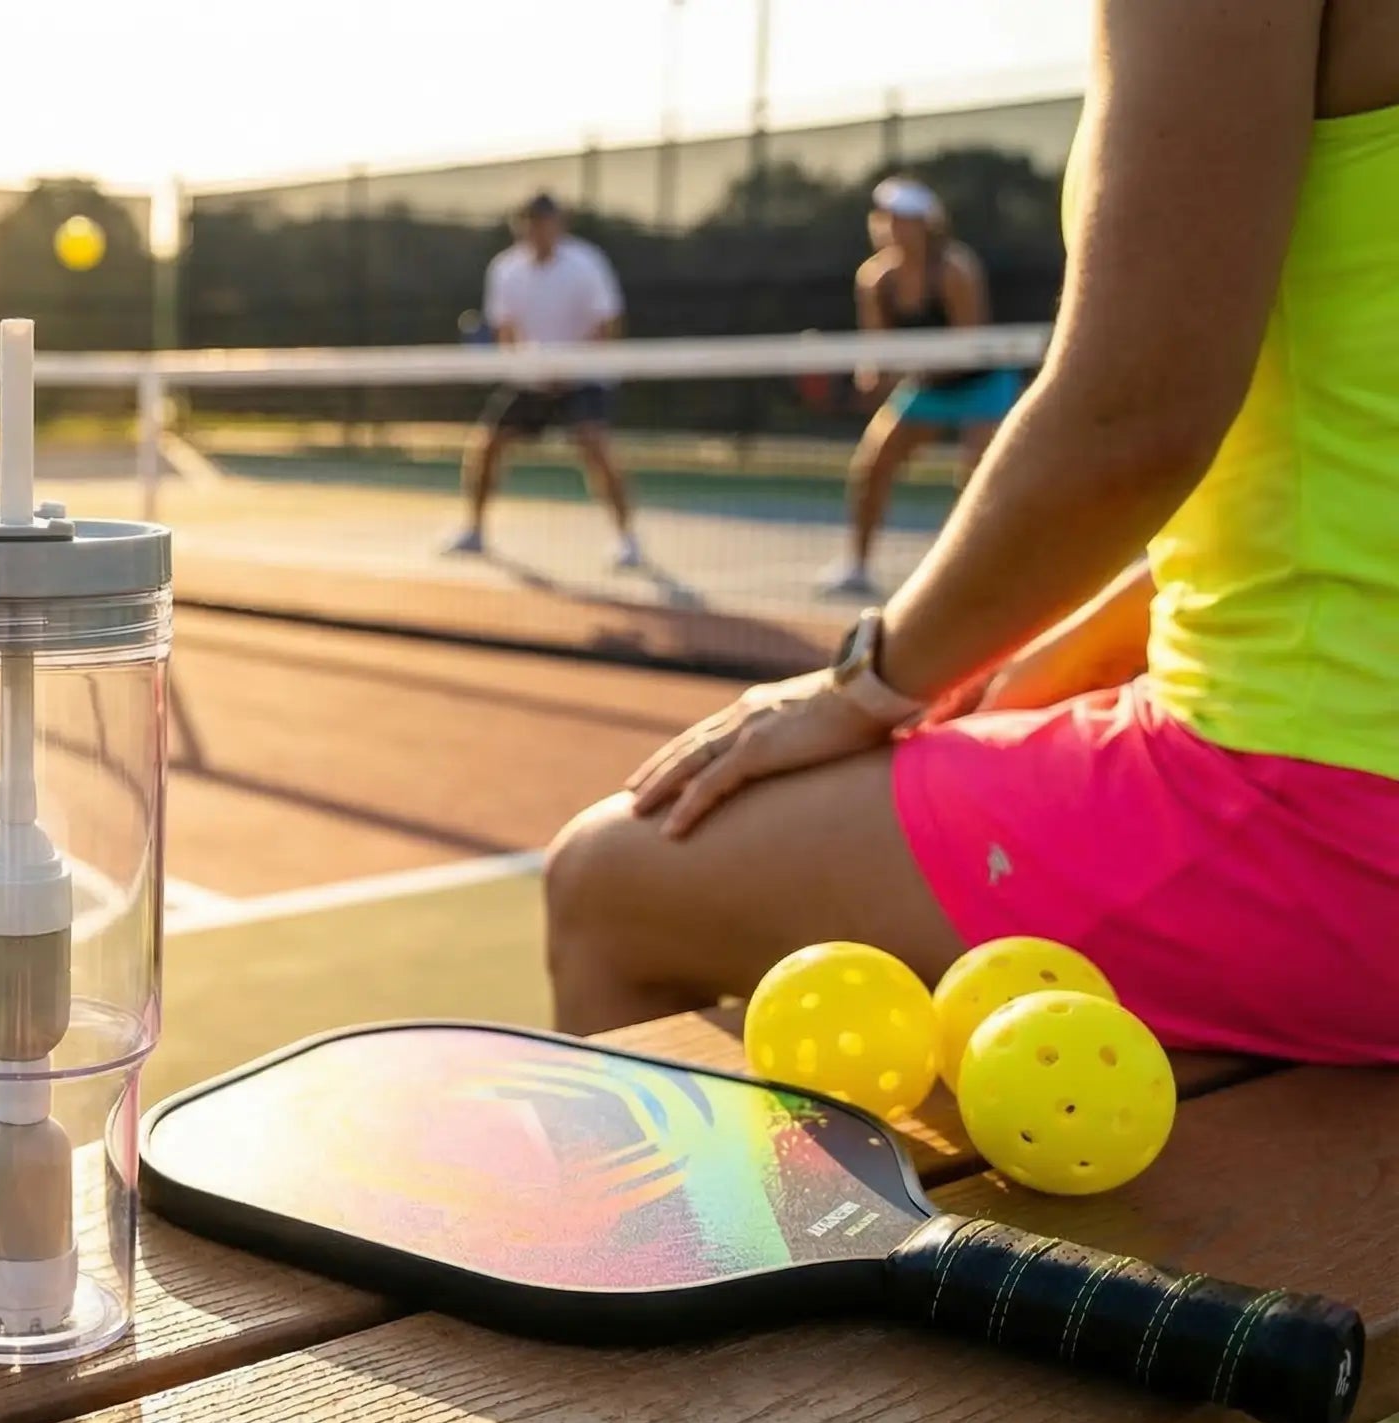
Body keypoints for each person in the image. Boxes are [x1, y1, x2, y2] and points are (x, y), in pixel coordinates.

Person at [540, 0, 1399, 1070]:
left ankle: (671, 1245)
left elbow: (1132, 419)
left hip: (1324, 811)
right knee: (907, 500)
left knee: (605, 878)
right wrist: (1052, 642)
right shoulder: (879, 275)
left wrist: (866, 682)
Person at [822, 177, 1023, 597]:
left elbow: (969, 345)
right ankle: (857, 566)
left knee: (979, 477)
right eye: (887, 219)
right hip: (926, 386)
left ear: (926, 225)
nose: (893, 228)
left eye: (904, 220)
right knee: (872, 465)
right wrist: (871, 377)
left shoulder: (955, 270)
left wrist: (907, 368)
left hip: (981, 383)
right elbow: (878, 348)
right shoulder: (875, 280)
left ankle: (963, 574)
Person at [452, 193, 641, 570]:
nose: (538, 229)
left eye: (545, 221)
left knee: (595, 446)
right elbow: (506, 329)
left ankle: (627, 539)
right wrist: (524, 367)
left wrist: (570, 368)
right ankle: (473, 530)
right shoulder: (505, 268)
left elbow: (606, 324)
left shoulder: (586, 263)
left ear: (559, 223)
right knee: (487, 445)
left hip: (584, 376)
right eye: (530, 222)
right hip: (530, 378)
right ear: (520, 226)